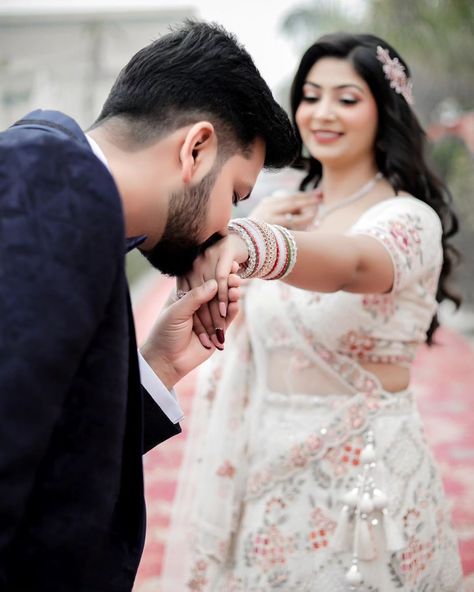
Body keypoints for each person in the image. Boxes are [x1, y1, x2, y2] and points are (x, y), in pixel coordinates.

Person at [0, 20, 298, 592]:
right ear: (197, 148)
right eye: (234, 195)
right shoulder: (53, 179)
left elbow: (53, 441)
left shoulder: (64, 185)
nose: (225, 227)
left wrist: (157, 366)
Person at [162, 32, 465, 590]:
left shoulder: (408, 220)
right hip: (265, 477)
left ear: (385, 108)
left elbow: (350, 264)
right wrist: (259, 229)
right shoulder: (285, 208)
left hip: (362, 484)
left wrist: (257, 242)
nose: (322, 112)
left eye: (346, 98)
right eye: (310, 95)